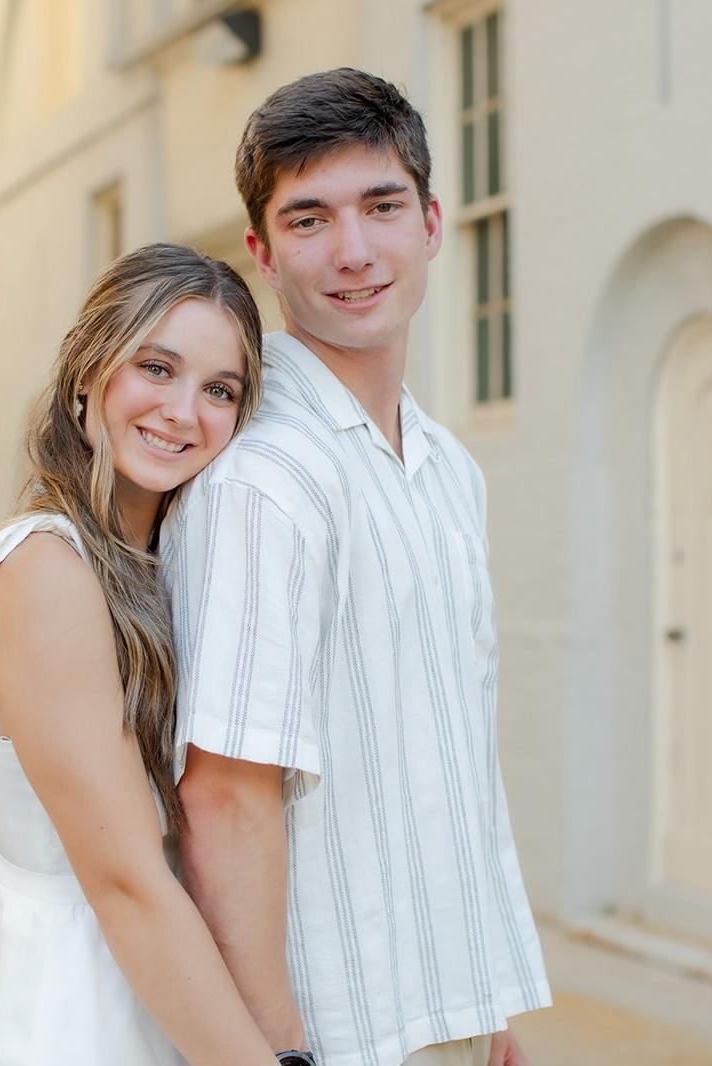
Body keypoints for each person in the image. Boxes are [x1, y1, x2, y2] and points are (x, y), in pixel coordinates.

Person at [163, 70, 552, 1066]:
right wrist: (277, 1050)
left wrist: (484, 1004)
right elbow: (223, 797)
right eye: (308, 219)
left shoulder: (447, 467)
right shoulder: (264, 480)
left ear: (430, 222)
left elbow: (447, 753)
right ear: (261, 252)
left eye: (381, 206)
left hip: (447, 1011)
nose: (352, 251)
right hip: (337, 1033)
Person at [0, 243, 284, 1066]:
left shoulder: (156, 568)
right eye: (157, 368)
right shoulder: (46, 570)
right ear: (89, 370)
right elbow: (124, 885)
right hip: (74, 996)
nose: (183, 411)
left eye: (219, 390)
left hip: (160, 975)